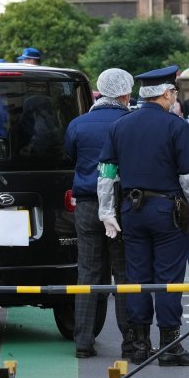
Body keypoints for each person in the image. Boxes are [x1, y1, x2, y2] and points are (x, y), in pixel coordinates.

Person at [97, 65, 189, 367]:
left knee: (137, 276)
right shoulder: (176, 126)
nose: (174, 97)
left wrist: (107, 211)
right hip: (167, 212)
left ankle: (139, 343)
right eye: (173, 92)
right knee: (169, 277)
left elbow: (107, 173)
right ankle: (169, 345)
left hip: (130, 211)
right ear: (165, 94)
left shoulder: (120, 125)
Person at [64, 69, 136, 359]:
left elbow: (71, 155)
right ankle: (130, 340)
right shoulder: (129, 123)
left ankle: (82, 341)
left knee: (88, 274)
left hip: (86, 205)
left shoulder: (78, 124)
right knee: (124, 274)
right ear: (123, 94)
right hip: (121, 205)